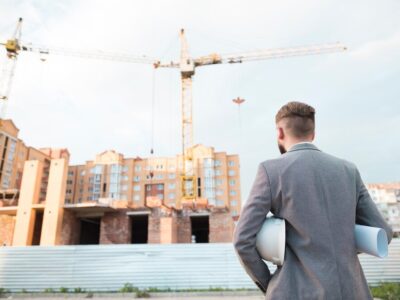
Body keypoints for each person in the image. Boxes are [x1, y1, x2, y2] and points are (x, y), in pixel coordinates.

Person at [233, 101, 393, 299]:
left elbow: (242, 240)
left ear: (280, 133)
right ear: (313, 134)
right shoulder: (348, 170)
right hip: (352, 291)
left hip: (296, 292)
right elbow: (384, 233)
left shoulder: (271, 171)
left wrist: (271, 283)